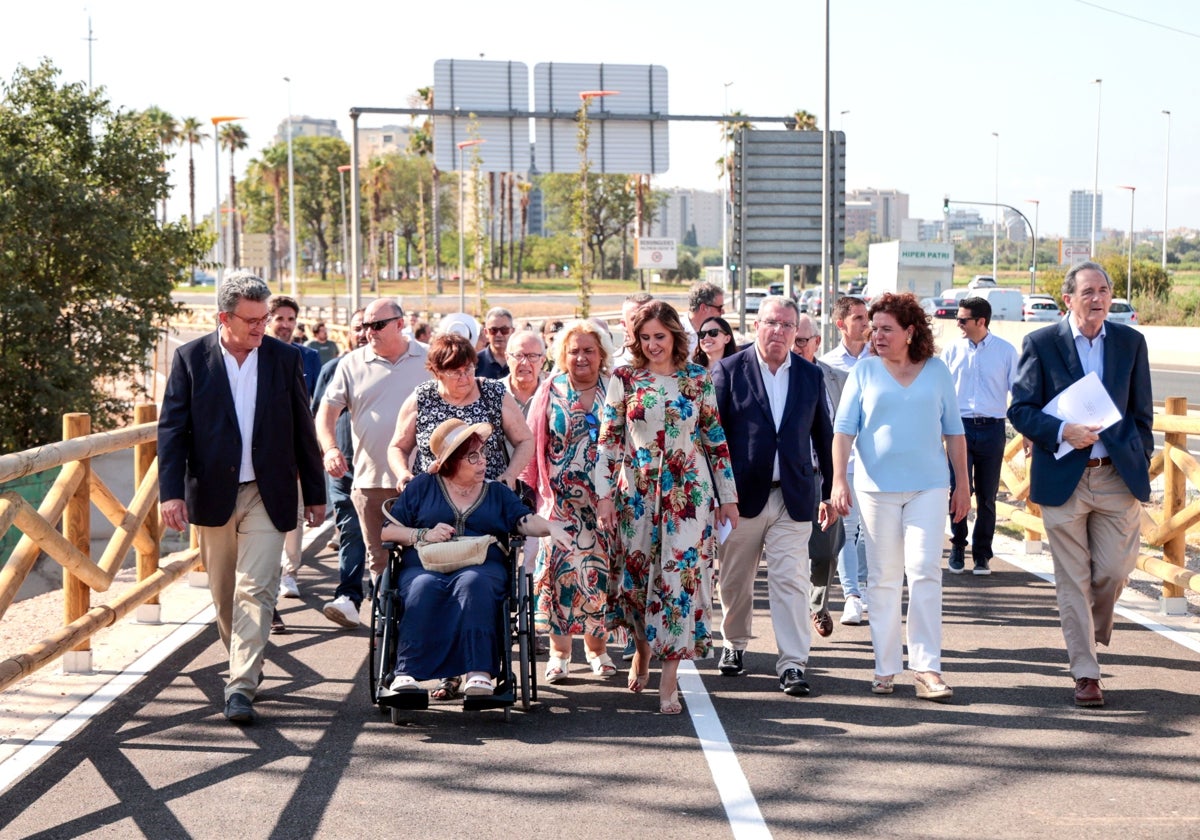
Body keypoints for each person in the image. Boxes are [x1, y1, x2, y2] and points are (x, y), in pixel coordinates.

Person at [158, 271, 326, 725]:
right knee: (223, 592)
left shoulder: (284, 359)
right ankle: (245, 662)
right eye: (251, 320)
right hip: (212, 493)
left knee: (257, 587)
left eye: (265, 319)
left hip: (267, 493)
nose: (261, 328)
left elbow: (302, 429)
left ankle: (240, 685)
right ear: (223, 318)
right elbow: (172, 431)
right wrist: (170, 493)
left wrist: (315, 493)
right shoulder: (191, 358)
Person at [1007, 261, 1153, 708]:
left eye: (1104, 291)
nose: (1097, 299)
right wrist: (1060, 431)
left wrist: (1140, 452)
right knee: (1072, 580)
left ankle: (1091, 629)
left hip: (1115, 476)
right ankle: (1086, 673)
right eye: (1088, 291)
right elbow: (1021, 410)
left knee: (1111, 572)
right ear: (1067, 299)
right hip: (1063, 476)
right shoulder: (1041, 343)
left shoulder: (1131, 342)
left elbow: (1142, 413)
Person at [596, 300, 739, 716]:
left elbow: (715, 439)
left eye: (660, 336)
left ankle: (669, 680)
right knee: (639, 582)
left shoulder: (697, 378)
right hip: (637, 493)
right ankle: (642, 649)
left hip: (688, 496)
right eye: (645, 337)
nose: (653, 344)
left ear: (675, 335)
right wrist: (604, 494)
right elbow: (609, 440)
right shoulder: (624, 378)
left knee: (677, 583)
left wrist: (727, 497)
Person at [831, 292, 969, 701]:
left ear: (910, 332)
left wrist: (963, 484)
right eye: (874, 329)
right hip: (875, 490)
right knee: (884, 579)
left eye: (886, 329)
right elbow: (843, 431)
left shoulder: (938, 371)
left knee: (925, 569)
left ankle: (927, 668)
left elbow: (955, 433)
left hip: (929, 485)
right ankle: (885, 666)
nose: (877, 336)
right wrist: (839, 481)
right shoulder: (865, 372)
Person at [381, 419, 569, 698]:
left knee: (473, 584)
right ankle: (407, 672)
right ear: (450, 461)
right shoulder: (423, 486)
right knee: (422, 588)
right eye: (473, 456)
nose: (482, 462)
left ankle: (479, 673)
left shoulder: (496, 491)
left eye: (482, 454)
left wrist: (550, 527)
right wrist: (422, 534)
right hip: (425, 565)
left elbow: (524, 520)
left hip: (482, 567)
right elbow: (389, 530)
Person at [711, 297, 837, 697]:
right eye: (773, 324)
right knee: (735, 581)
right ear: (756, 325)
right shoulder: (729, 371)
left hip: (794, 497)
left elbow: (824, 437)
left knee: (791, 580)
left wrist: (832, 491)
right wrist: (719, 495)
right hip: (741, 497)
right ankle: (734, 644)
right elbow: (712, 438)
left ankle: (793, 663)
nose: (781, 332)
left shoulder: (808, 375)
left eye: (789, 327)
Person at [316, 297, 431, 627]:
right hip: (370, 481)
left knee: (422, 558)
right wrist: (330, 449)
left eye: (377, 325)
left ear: (400, 323)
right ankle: (386, 631)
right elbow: (326, 413)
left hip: (423, 481)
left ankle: (416, 628)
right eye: (365, 326)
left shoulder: (427, 358)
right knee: (378, 560)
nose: (369, 332)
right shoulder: (352, 363)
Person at [521, 319, 616, 683]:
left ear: (601, 354)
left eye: (588, 350)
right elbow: (531, 445)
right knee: (558, 576)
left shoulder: (615, 387)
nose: (581, 357)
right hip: (559, 504)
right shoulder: (550, 390)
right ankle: (560, 654)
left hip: (607, 504)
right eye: (574, 350)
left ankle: (598, 651)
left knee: (599, 578)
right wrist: (531, 496)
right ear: (563, 354)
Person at [389, 333, 534, 492]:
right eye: (456, 372)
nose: (464, 377)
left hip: (487, 497)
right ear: (438, 373)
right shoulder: (422, 398)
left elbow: (525, 440)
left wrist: (510, 475)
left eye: (469, 369)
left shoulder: (493, 393)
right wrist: (403, 473)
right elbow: (398, 447)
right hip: (433, 497)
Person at [941, 296, 1018, 575]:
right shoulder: (951, 351)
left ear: (981, 322)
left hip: (993, 428)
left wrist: (1028, 432)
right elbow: (941, 393)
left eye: (962, 319)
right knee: (958, 490)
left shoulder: (1006, 352)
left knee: (987, 495)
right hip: (958, 429)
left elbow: (1018, 393)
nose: (957, 323)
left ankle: (983, 554)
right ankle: (958, 547)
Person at [310, 310, 370, 629]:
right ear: (348, 333)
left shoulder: (388, 371)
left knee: (387, 535)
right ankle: (348, 596)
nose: (363, 333)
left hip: (385, 471)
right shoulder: (333, 369)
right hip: (343, 469)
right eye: (357, 328)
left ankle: (386, 593)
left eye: (369, 327)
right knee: (349, 529)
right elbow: (318, 416)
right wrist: (327, 451)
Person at [266, 294, 324, 613]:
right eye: (280, 319)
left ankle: (289, 572)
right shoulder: (257, 354)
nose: (286, 325)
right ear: (268, 320)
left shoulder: (309, 357)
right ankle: (267, 574)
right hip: (265, 452)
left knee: (296, 514)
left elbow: (310, 408)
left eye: (291, 320)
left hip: (296, 448)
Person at [794, 313, 848, 639]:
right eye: (793, 340)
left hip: (824, 476)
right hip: (787, 479)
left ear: (817, 342)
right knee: (789, 551)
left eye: (804, 340)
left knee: (826, 550)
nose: (797, 346)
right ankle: (796, 617)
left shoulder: (839, 378)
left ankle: (818, 604)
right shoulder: (778, 376)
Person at [820, 295, 872, 626]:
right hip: (848, 460)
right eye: (858, 318)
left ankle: (863, 588)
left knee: (871, 532)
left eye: (867, 317)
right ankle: (852, 595)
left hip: (879, 462)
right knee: (848, 528)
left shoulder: (882, 360)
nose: (866, 324)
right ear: (841, 324)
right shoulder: (827, 365)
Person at [502, 331, 545, 417]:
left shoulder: (552, 395)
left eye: (532, 356)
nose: (525, 363)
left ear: (542, 361)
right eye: (519, 355)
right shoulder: (493, 394)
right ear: (507, 358)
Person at [613, 292, 653, 367]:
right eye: (635, 318)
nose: (643, 322)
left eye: (650, 317)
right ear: (624, 324)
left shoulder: (674, 362)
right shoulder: (614, 366)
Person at [685, 280, 725, 353]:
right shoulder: (675, 331)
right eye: (719, 308)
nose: (723, 312)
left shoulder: (721, 331)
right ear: (703, 308)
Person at [476, 307, 514, 379]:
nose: (499, 334)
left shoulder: (520, 360)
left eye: (504, 330)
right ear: (486, 332)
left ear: (512, 331)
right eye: (494, 330)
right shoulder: (475, 362)